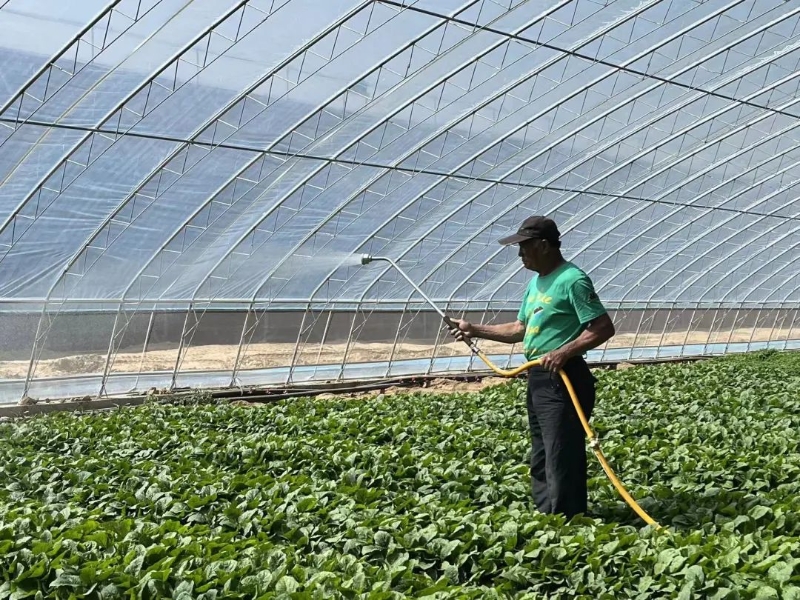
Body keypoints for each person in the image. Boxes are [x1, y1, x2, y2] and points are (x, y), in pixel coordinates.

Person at [448, 215, 615, 519]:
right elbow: (518, 329)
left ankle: (568, 518)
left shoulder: (572, 280)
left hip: (564, 377)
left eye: (524, 247)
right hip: (538, 375)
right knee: (541, 452)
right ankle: (547, 513)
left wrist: (564, 352)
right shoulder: (535, 284)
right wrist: (473, 329)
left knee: (561, 451)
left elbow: (602, 327)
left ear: (544, 245)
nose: (520, 254)